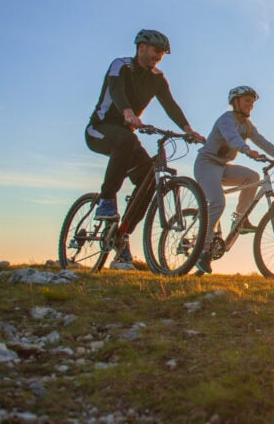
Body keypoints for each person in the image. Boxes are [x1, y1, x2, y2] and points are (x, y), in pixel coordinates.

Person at [85, 29, 206, 270]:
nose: (159, 56)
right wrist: (128, 112)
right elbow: (117, 91)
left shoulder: (157, 78)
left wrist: (187, 129)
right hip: (100, 129)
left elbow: (170, 105)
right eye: (156, 51)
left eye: (162, 54)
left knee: (149, 178)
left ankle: (122, 234)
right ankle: (106, 200)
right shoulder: (121, 66)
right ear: (141, 48)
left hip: (126, 137)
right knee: (126, 141)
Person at [193, 85, 274, 275]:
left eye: (252, 102)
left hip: (223, 167)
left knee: (252, 177)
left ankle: (240, 220)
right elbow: (231, 137)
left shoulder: (247, 125)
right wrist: (246, 149)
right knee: (218, 202)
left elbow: (263, 142)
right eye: (247, 101)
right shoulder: (226, 119)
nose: (251, 105)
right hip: (206, 164)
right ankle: (202, 252)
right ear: (235, 102)